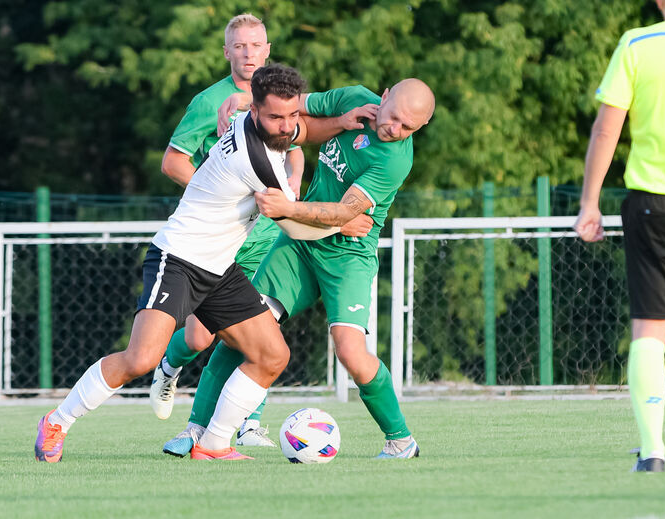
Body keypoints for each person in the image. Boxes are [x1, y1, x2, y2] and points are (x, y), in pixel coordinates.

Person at [34, 63, 377, 463]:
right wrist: (343, 221)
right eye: (275, 118)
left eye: (291, 116)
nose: (286, 127)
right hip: (178, 258)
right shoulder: (258, 162)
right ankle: (57, 421)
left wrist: (337, 121)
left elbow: (299, 127)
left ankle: (213, 445)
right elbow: (297, 226)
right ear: (254, 113)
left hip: (219, 269)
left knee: (271, 355)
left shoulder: (261, 124)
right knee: (141, 358)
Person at [168, 78, 436, 460]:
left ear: (420, 127)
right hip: (299, 246)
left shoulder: (395, 159)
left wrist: (289, 207)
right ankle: (196, 432)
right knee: (242, 329)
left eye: (408, 127)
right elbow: (297, 106)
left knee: (351, 354)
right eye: (393, 117)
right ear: (386, 94)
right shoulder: (354, 98)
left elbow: (346, 213)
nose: (395, 129)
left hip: (349, 256)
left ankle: (400, 441)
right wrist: (244, 100)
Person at [151, 13, 372, 448]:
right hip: (219, 240)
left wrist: (300, 173)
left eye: (256, 45)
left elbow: (295, 141)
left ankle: (245, 424)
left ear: (267, 49)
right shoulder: (210, 101)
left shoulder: (280, 94)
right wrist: (220, 192)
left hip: (267, 235)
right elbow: (173, 161)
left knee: (262, 330)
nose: (249, 53)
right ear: (227, 51)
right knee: (198, 336)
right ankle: (168, 367)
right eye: (240, 46)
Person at [573, 0, 665, 473]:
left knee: (650, 331)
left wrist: (590, 203)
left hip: (656, 205)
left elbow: (607, 129)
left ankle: (653, 453)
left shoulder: (638, 42)